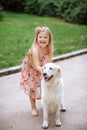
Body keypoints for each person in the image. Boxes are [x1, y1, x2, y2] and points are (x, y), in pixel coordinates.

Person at [20, 26, 53, 116]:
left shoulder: (49, 48)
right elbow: (37, 66)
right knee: (32, 88)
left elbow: (48, 62)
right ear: (37, 38)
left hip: (41, 69)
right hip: (31, 69)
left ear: (49, 39)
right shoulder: (35, 49)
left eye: (45, 37)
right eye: (40, 37)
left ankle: (48, 102)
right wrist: (47, 73)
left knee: (45, 86)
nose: (43, 39)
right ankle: (33, 108)